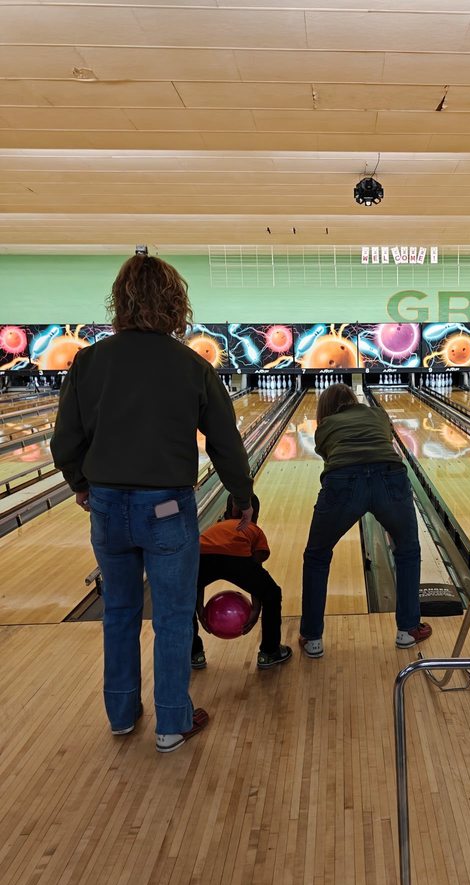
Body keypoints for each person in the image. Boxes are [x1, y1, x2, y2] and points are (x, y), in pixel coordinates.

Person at [51, 253, 254, 753]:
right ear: (175, 303)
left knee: (118, 611)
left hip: (106, 507)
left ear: (118, 302)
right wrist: (242, 496)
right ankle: (171, 723)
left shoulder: (89, 361)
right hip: (166, 508)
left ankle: (121, 715)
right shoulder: (191, 365)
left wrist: (81, 482)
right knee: (170, 615)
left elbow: (64, 441)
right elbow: (226, 442)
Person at [299, 383, 431, 658]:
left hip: (343, 482)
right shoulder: (378, 415)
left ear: (325, 409)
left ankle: (312, 638)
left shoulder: (324, 427)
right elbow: (385, 439)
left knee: (316, 556)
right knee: (407, 552)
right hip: (390, 477)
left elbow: (328, 454)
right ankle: (407, 630)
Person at [192, 494, 291, 671]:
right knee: (272, 594)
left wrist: (199, 607)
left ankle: (194, 654)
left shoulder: (215, 527)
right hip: (238, 560)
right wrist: (256, 607)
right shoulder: (254, 529)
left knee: (186, 598)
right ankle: (270, 652)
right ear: (256, 516)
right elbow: (256, 568)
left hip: (202, 557)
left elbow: (197, 574)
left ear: (226, 514)